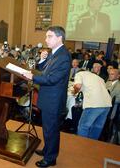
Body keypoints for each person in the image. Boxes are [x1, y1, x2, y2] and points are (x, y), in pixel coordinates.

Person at [23, 26, 71, 167]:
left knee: (52, 129)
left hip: (53, 100)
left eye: (49, 36)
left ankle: (50, 158)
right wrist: (42, 60)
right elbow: (44, 70)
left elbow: (52, 79)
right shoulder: (54, 53)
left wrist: (32, 77)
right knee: (47, 128)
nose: (46, 39)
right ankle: (47, 150)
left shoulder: (63, 56)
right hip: (48, 98)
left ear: (59, 38)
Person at [73, 70, 111, 139]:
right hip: (107, 103)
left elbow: (78, 86)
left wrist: (74, 92)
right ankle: (91, 146)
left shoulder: (79, 74)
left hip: (94, 103)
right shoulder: (98, 77)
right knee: (97, 127)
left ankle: (81, 145)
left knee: (83, 126)